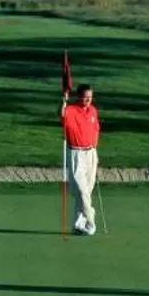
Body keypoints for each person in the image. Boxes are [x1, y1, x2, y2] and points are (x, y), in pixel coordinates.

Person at [61, 83, 102, 235]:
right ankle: (91, 222)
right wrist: (63, 101)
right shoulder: (71, 110)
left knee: (87, 191)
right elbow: (61, 114)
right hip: (76, 154)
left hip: (91, 153)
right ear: (79, 97)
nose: (88, 100)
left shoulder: (93, 111)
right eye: (85, 97)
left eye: (90, 97)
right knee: (81, 191)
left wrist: (95, 151)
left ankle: (78, 225)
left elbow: (96, 130)